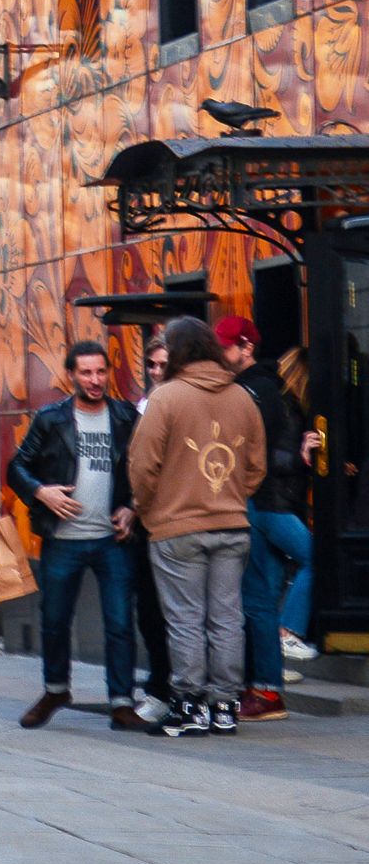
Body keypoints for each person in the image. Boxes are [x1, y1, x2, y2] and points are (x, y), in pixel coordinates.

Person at [129, 316, 265, 739]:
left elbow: (142, 465)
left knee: (185, 619)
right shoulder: (242, 396)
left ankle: (189, 705)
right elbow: (256, 467)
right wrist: (230, 497)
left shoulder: (165, 397)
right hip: (231, 524)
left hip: (176, 527)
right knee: (227, 617)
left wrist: (152, 510)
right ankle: (225, 706)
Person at [7, 341, 144, 731]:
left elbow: (145, 466)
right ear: (71, 375)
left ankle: (121, 701)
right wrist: (40, 491)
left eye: (101, 372)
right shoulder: (51, 419)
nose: (95, 380)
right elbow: (16, 467)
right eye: (86, 373)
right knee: (54, 619)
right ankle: (55, 689)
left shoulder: (124, 416)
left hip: (111, 539)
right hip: (62, 539)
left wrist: (133, 506)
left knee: (119, 620)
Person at [214, 317, 310, 723]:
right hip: (262, 502)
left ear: (245, 347)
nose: (218, 353)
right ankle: (266, 689)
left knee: (258, 597)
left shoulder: (256, 390)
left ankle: (270, 679)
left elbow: (257, 452)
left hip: (260, 503)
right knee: (259, 599)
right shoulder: (259, 388)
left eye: (224, 346)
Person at [130, 331, 174, 721]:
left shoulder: (176, 403)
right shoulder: (143, 404)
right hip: (147, 521)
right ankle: (159, 683)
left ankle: (171, 688)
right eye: (152, 364)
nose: (157, 371)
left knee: (177, 611)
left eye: (164, 364)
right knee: (148, 608)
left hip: (174, 518)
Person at [276, 346, 321, 666]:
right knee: (315, 556)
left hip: (278, 503)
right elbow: (270, 458)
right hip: (274, 504)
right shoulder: (287, 410)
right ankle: (288, 632)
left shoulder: (284, 406)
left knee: (272, 575)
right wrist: (301, 454)